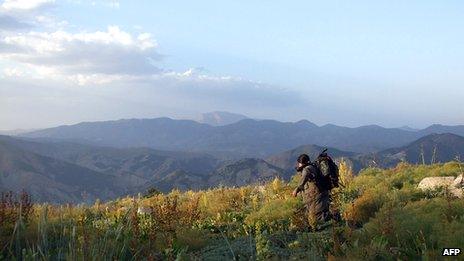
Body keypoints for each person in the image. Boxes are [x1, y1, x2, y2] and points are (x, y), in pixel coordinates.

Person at [292, 153, 331, 227]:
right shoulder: (313, 166)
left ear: (301, 162)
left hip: (316, 195)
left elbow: (303, 180)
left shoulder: (307, 169)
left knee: (316, 215)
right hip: (320, 193)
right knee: (321, 212)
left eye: (299, 163)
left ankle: (326, 228)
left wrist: (296, 190)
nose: (298, 165)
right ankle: (331, 225)